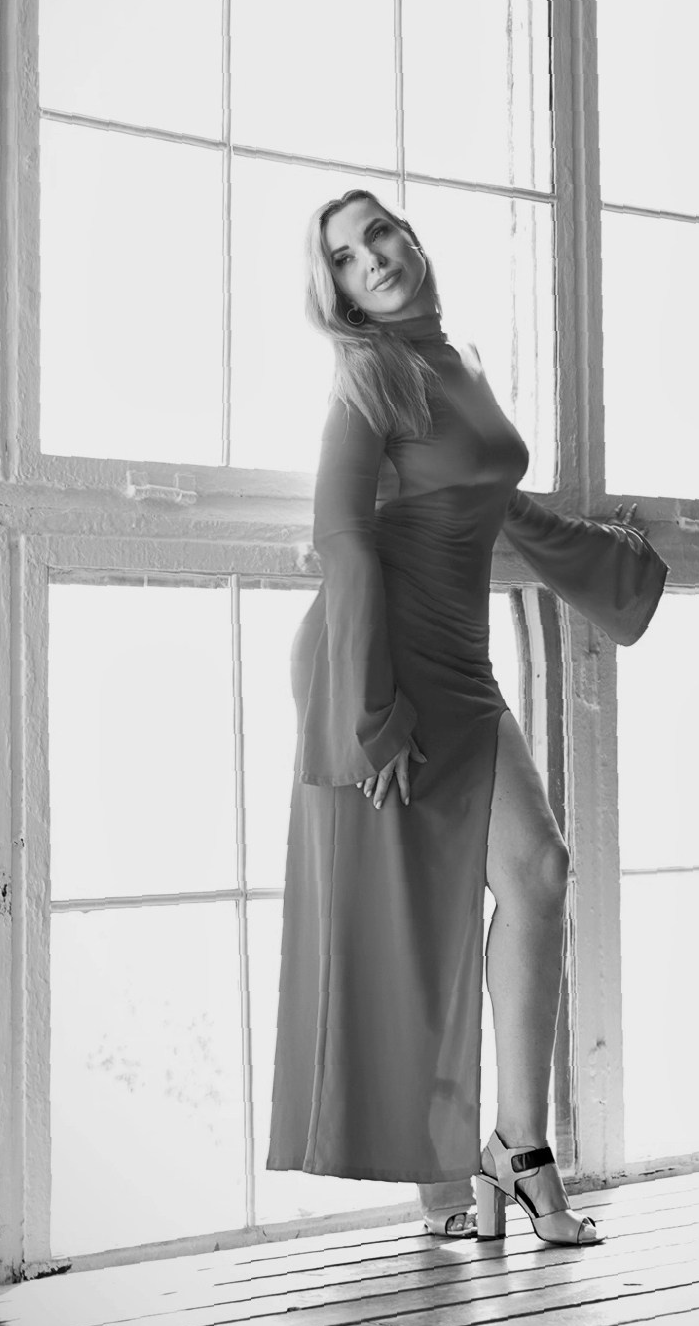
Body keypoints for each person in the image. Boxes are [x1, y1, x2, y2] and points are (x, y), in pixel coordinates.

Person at [267, 188, 667, 1246]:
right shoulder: (367, 374)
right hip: (376, 660)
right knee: (407, 917)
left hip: (459, 661)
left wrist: (615, 560)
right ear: (338, 291)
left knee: (539, 872)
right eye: (344, 257)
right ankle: (447, 1183)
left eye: (378, 233)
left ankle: (515, 1146)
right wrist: (371, 712)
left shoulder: (463, 362)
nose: (371, 258)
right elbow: (342, 536)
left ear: (410, 236)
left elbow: (495, 502)